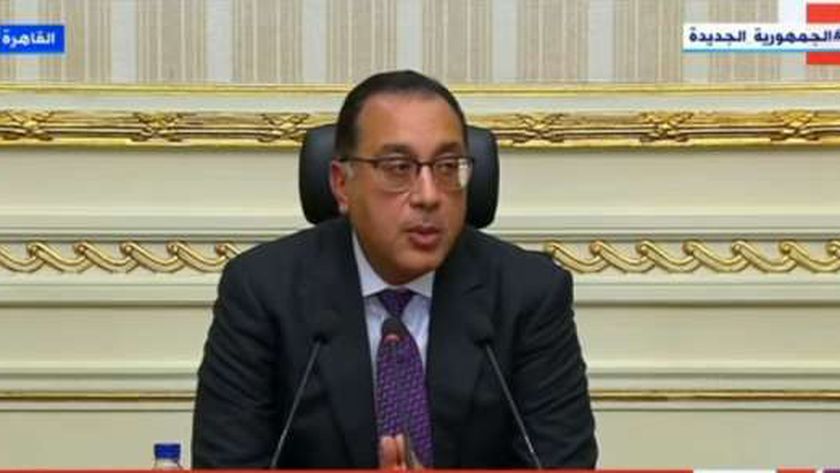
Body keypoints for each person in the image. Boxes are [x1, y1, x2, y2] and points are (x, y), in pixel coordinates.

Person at [192, 70, 597, 468]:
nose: (429, 196)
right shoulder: (263, 291)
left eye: (447, 167)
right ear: (341, 184)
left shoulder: (529, 294)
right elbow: (228, 463)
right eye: (398, 168)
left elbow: (562, 465)